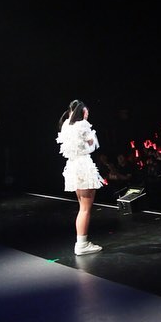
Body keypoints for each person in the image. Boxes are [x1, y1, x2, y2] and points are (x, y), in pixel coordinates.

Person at [56, 100, 105, 256]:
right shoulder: (82, 125)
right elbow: (92, 145)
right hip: (83, 165)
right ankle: (82, 245)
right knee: (85, 209)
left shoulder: (66, 126)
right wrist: (92, 138)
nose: (87, 114)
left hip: (73, 166)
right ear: (81, 112)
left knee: (82, 207)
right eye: (86, 112)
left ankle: (82, 242)